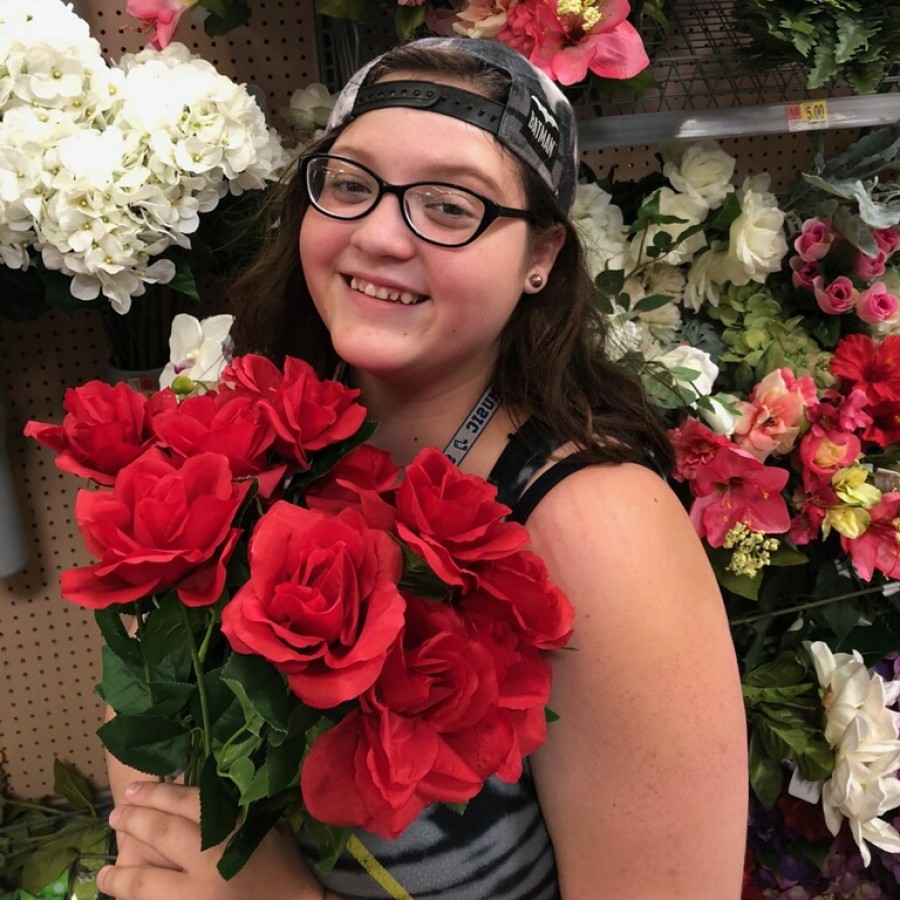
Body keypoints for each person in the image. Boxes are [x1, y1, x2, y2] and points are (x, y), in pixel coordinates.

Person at [97, 35, 749, 900]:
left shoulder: (597, 529)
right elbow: (149, 757)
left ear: (542, 257)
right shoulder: (251, 456)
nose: (376, 234)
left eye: (449, 205)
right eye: (351, 184)